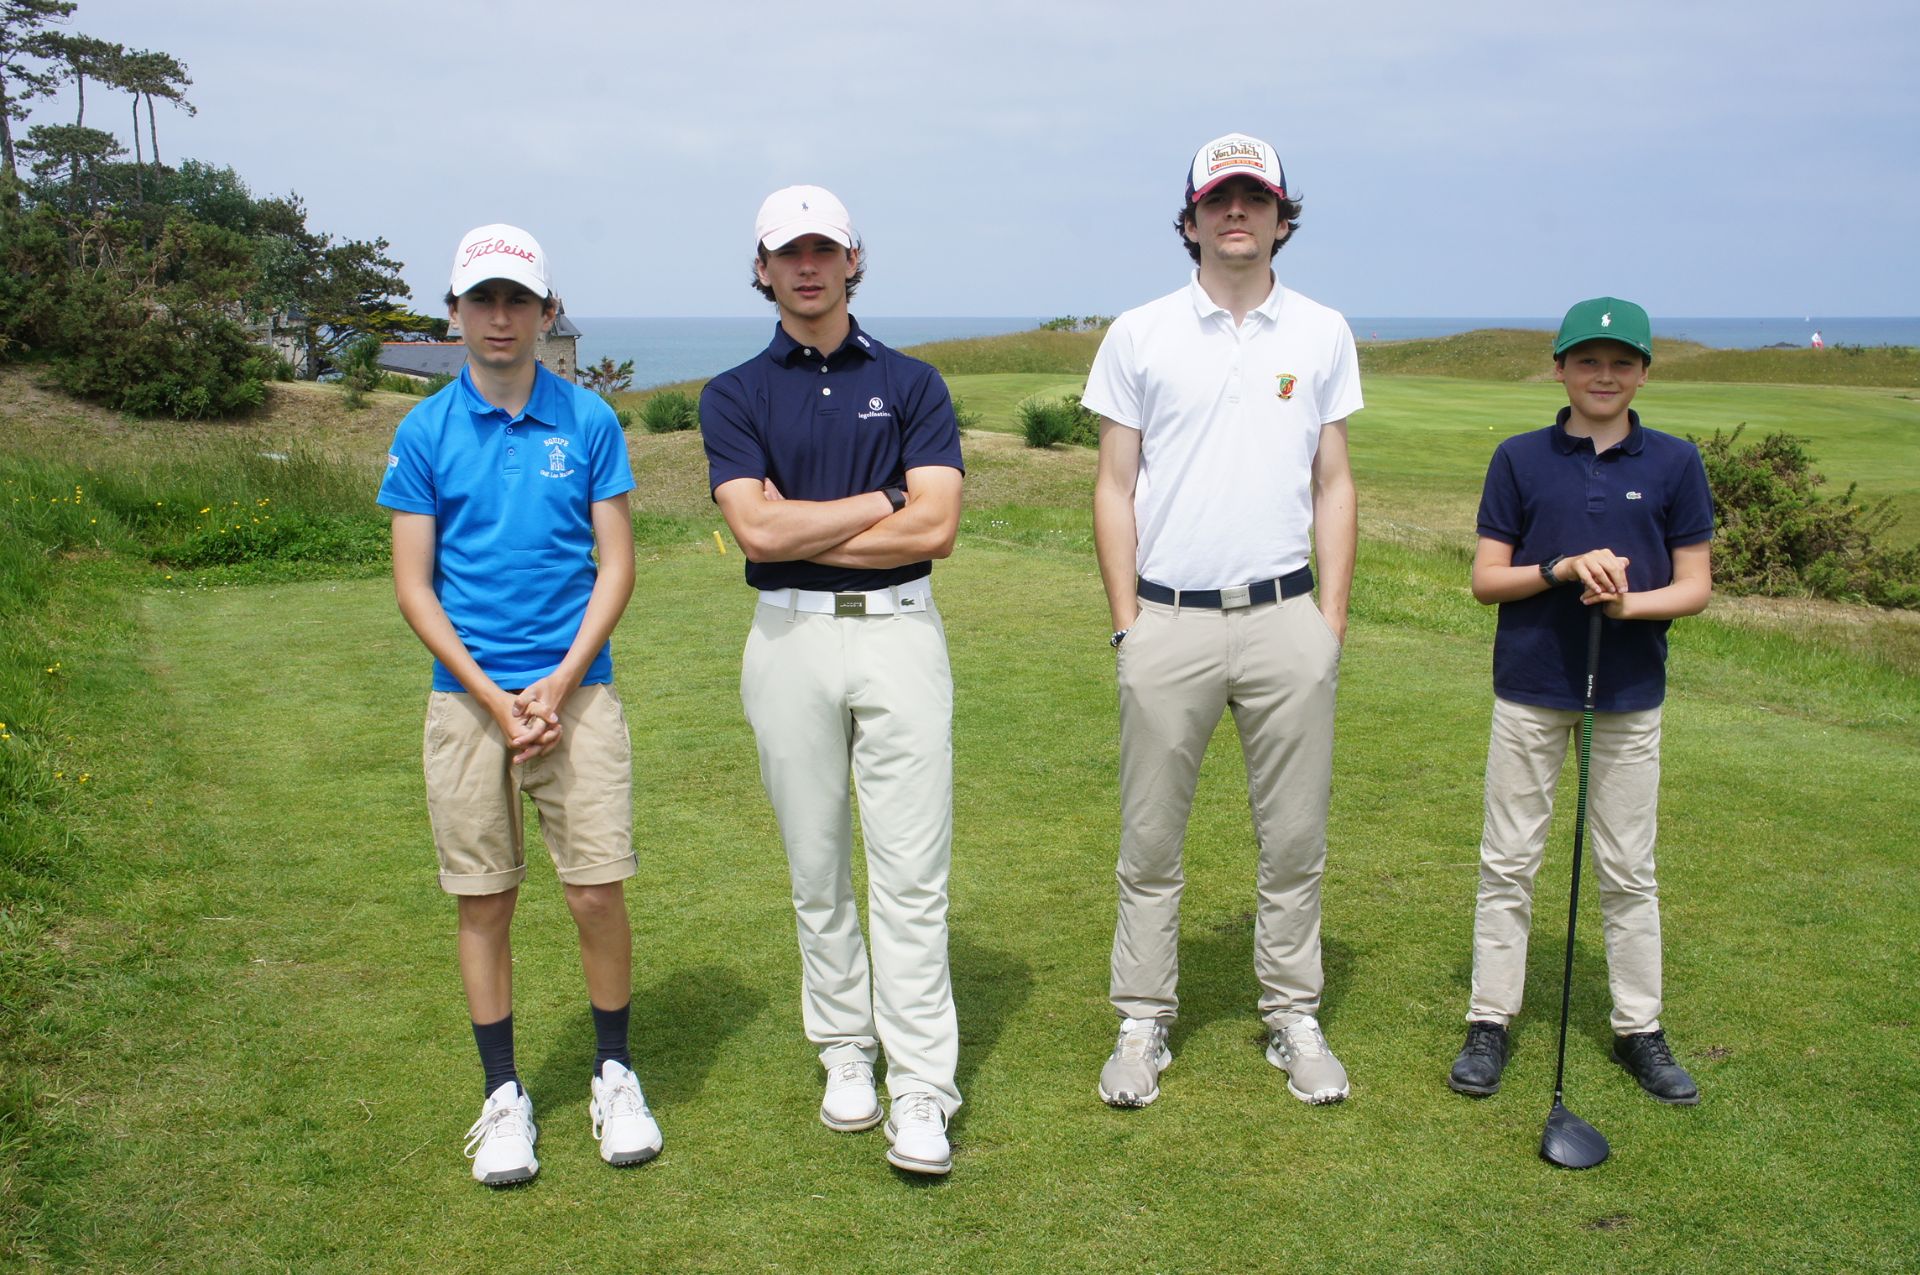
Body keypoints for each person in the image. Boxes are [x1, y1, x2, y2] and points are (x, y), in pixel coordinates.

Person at [377, 223, 661, 1186]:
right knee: (485, 899)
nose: (500, 318)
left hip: (579, 694)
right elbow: (415, 586)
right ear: (455, 313)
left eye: (518, 301)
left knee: (595, 890)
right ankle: (503, 1094)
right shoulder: (424, 430)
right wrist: (496, 699)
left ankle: (614, 1072)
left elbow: (615, 565)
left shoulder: (589, 421)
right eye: (482, 300)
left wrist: (562, 680)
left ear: (546, 312)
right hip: (468, 704)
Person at [1085, 132, 1362, 1109]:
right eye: (1219, 199)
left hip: (1287, 618)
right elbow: (1113, 486)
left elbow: (1334, 482)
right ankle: (1142, 1021)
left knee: (1294, 840)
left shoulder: (1322, 332)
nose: (1236, 213)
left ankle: (1292, 1014)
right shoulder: (1139, 334)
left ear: (1282, 219)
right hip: (1169, 620)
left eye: (1255, 199)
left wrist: (1329, 622)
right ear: (1192, 218)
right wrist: (1129, 624)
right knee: (1151, 842)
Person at [698, 186, 966, 1176]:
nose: (806, 267)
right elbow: (754, 531)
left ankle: (924, 1084)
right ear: (762, 269)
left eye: (823, 249)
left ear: (853, 259)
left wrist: (802, 529)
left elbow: (937, 527)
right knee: (817, 867)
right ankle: (846, 1050)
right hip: (788, 641)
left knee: (911, 877)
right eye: (787, 253)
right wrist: (882, 498)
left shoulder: (913, 383)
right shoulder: (734, 394)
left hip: (900, 632)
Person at [1447, 296, 1713, 1106]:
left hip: (1628, 693)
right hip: (1531, 686)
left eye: (1622, 362)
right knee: (1508, 860)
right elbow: (1486, 580)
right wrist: (1558, 569)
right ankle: (1490, 1018)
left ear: (1643, 373)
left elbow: (1695, 586)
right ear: (1559, 368)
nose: (1605, 375)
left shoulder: (1675, 462)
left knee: (1628, 867)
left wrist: (1629, 604)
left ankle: (1639, 1027)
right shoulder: (1520, 458)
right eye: (1588, 361)